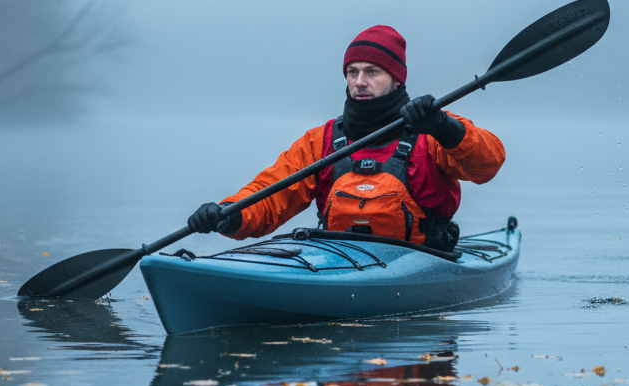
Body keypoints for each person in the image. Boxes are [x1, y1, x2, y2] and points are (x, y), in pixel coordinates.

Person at [187, 25, 505, 251]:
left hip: (424, 264)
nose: (360, 82)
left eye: (372, 72)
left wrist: (444, 126)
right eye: (352, 72)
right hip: (337, 264)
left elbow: (488, 164)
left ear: (396, 80)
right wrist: (227, 214)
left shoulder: (431, 131)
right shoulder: (322, 141)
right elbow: (270, 196)